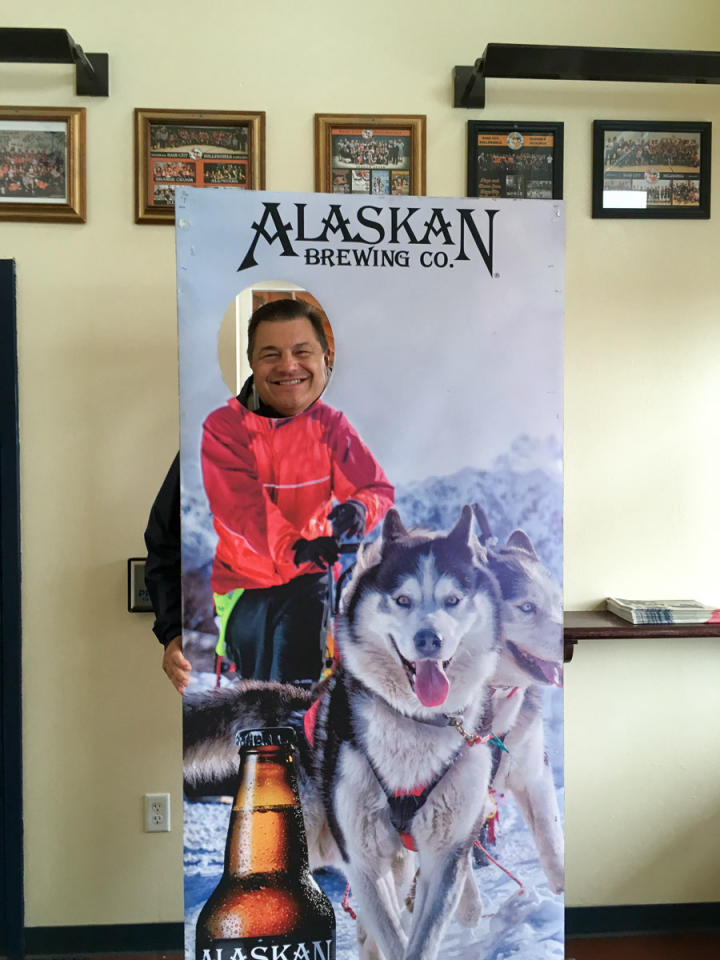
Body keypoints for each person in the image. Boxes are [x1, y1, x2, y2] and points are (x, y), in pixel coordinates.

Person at [144, 298, 393, 693]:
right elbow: (237, 511)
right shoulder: (221, 429)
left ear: (324, 359)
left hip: (309, 580)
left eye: (302, 352)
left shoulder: (331, 426)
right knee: (252, 693)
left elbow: (375, 488)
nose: (289, 366)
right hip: (244, 587)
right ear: (252, 363)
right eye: (271, 354)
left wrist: (360, 510)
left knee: (294, 694)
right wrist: (172, 631)